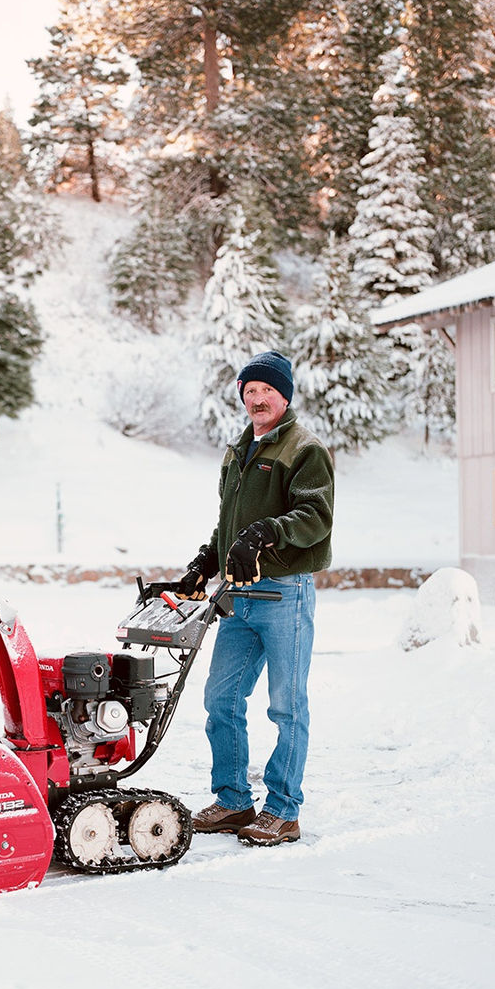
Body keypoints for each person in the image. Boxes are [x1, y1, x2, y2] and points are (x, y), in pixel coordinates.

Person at [174, 350, 334, 846]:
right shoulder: (239, 451)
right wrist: (207, 560)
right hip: (238, 596)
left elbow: (315, 518)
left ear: (284, 396)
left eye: (267, 390)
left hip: (284, 594)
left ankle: (283, 811)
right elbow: (231, 523)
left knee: (287, 706)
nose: (257, 398)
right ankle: (233, 801)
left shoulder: (304, 449)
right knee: (220, 699)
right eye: (250, 391)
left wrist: (266, 533)